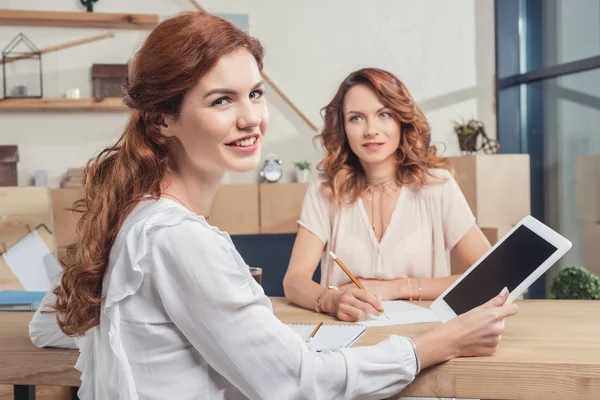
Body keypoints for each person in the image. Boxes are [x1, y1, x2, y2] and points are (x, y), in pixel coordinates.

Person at [29, 11, 518, 400]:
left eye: (256, 94)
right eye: (222, 100)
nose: (252, 119)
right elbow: (297, 383)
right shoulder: (176, 238)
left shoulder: (136, 218)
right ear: (162, 120)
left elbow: (47, 322)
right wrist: (441, 343)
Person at [283, 68, 492, 322]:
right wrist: (333, 300)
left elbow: (490, 276)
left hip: (426, 338)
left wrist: (398, 287)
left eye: (384, 114)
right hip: (347, 338)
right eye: (356, 118)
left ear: (402, 121)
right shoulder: (325, 189)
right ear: (343, 128)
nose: (371, 130)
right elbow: (294, 281)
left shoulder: (438, 186)